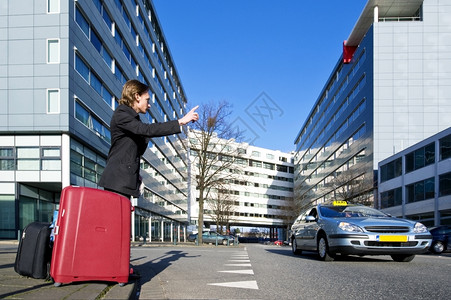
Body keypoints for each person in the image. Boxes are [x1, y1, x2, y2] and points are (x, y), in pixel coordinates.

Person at [99, 79, 199, 199]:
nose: (149, 105)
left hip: (123, 181)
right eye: (147, 100)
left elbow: (131, 153)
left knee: (121, 217)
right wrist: (180, 122)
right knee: (116, 217)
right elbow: (147, 130)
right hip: (117, 182)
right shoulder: (121, 114)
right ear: (137, 96)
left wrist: (136, 176)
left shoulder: (132, 120)